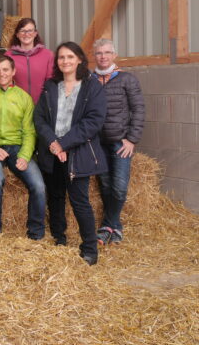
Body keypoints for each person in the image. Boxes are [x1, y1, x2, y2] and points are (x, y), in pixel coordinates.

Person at [34, 42, 107, 266]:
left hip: (78, 153)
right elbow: (39, 119)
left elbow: (93, 122)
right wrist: (53, 144)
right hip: (52, 152)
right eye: (61, 58)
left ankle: (90, 248)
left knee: (79, 201)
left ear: (80, 60)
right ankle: (59, 237)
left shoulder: (91, 86)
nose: (65, 61)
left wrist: (64, 144)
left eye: (70, 57)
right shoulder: (50, 85)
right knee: (55, 197)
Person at [0, 55, 45, 239]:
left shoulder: (24, 98)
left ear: (13, 71)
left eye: (5, 70)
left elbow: (29, 131)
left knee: (38, 185)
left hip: (17, 147)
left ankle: (36, 233)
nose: (2, 74)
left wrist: (24, 155)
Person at [92, 38, 144, 245]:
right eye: (99, 53)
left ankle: (109, 225)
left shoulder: (127, 79)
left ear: (114, 55)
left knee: (119, 187)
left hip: (120, 142)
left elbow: (139, 109)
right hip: (97, 142)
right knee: (104, 184)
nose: (103, 57)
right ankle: (114, 227)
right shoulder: (89, 79)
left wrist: (131, 139)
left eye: (107, 53)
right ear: (93, 56)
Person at [5, 18, 54, 104]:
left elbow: (51, 81)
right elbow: (5, 81)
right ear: (17, 34)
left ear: (35, 33)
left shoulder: (48, 55)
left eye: (30, 31)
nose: (26, 34)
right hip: (17, 105)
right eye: (22, 31)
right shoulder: (8, 56)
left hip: (41, 105)